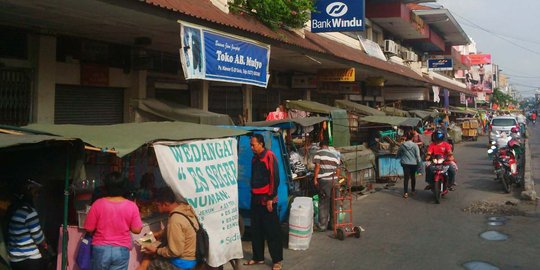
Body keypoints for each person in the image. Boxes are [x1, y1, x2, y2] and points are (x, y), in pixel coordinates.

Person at [84, 172, 143, 270]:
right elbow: (137, 230)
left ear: (106, 186)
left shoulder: (97, 204)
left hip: (100, 249)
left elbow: (89, 228)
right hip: (121, 250)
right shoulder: (131, 206)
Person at [243, 134, 283, 270]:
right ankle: (258, 257)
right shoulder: (254, 159)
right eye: (250, 145)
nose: (251, 147)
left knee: (272, 231)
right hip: (255, 199)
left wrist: (271, 198)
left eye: (253, 144)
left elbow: (274, 178)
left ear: (261, 144)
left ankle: (277, 260)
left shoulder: (269, 156)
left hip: (267, 200)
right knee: (256, 230)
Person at [141, 187, 198, 270]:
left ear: (165, 204)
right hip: (191, 257)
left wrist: (156, 250)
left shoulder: (175, 220)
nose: (156, 207)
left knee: (152, 265)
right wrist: (157, 234)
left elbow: (175, 251)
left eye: (157, 205)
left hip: (182, 262)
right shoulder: (183, 209)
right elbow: (173, 230)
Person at [6, 180, 49, 270]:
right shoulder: (29, 212)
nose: (37, 196)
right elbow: (39, 238)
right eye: (36, 193)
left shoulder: (13, 210)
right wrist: (44, 243)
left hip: (15, 258)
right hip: (30, 259)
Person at [313, 139, 340, 231]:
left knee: (324, 203)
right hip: (335, 180)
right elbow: (338, 169)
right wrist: (336, 178)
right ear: (328, 146)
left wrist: (315, 178)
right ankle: (334, 225)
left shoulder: (319, 153)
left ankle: (322, 226)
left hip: (325, 181)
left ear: (320, 146)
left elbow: (317, 166)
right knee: (334, 202)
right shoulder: (334, 154)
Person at [397, 132, 422, 198]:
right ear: (412, 138)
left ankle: (405, 193)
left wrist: (397, 157)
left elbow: (398, 153)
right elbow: (418, 156)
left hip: (405, 163)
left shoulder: (402, 145)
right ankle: (413, 190)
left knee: (406, 178)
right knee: (413, 177)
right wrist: (419, 164)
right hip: (413, 163)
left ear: (406, 138)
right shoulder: (415, 145)